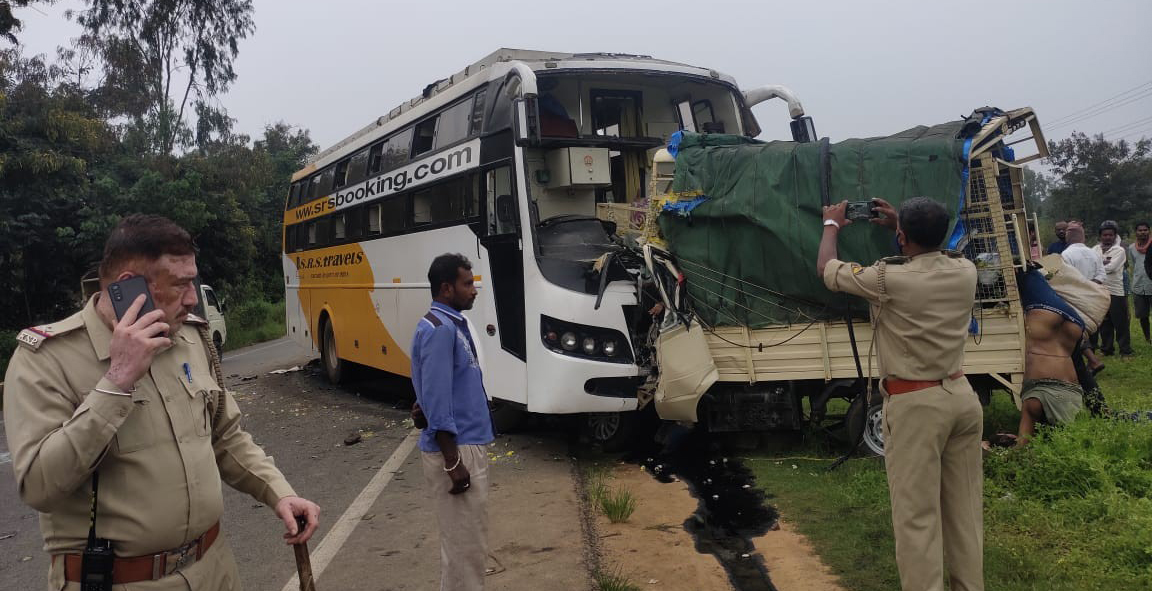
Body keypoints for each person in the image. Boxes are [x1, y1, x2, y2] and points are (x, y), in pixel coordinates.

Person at [4, 215, 320, 591]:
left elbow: (226, 438)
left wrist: (279, 492)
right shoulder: (47, 359)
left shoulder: (189, 338)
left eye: (193, 281)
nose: (193, 299)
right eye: (181, 284)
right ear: (128, 286)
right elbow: (39, 486)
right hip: (120, 581)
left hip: (215, 570)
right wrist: (117, 381)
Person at [818, 197, 983, 591]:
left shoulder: (887, 278)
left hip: (916, 405)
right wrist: (900, 226)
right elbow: (930, 252)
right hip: (961, 396)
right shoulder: (966, 269)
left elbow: (826, 269)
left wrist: (831, 224)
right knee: (965, 513)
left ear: (904, 238)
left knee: (916, 517)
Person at [411, 253, 495, 591]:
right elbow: (437, 400)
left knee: (465, 546)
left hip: (465, 444)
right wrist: (452, 461)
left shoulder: (449, 325)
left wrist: (422, 409)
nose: (473, 290)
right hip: (458, 449)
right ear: (447, 288)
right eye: (467, 284)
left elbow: (431, 392)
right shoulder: (440, 330)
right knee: (465, 549)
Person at [1014, 266, 1085, 444]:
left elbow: (1023, 445)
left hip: (1070, 388)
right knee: (1023, 274)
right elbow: (1022, 443)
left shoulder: (1034, 402)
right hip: (1057, 312)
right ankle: (1025, 269)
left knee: (1075, 440)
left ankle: (1025, 269)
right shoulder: (1033, 405)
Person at [1060, 222, 1107, 373]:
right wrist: (1090, 286)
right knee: (1091, 326)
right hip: (1093, 295)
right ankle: (1092, 360)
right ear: (1083, 237)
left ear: (1068, 237)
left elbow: (1065, 278)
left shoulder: (1066, 255)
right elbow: (1102, 274)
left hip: (1074, 298)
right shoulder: (1094, 253)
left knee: (1075, 328)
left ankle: (1090, 362)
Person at [1092, 220, 1133, 357]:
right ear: (1100, 236)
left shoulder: (1119, 250)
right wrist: (1102, 264)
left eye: (1110, 235)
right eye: (1105, 235)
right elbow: (1090, 265)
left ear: (1115, 236)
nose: (1108, 237)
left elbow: (1112, 267)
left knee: (1120, 322)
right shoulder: (1094, 249)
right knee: (1104, 322)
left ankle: (1125, 350)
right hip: (1099, 291)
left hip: (1116, 291)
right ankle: (1107, 349)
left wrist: (1098, 266)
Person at [1129, 221, 1151, 344]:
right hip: (1138, 286)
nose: (1143, 232)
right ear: (1136, 232)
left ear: (1149, 231)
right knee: (1143, 315)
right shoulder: (1132, 248)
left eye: (1145, 230)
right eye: (1140, 230)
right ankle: (1148, 339)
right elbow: (1134, 264)